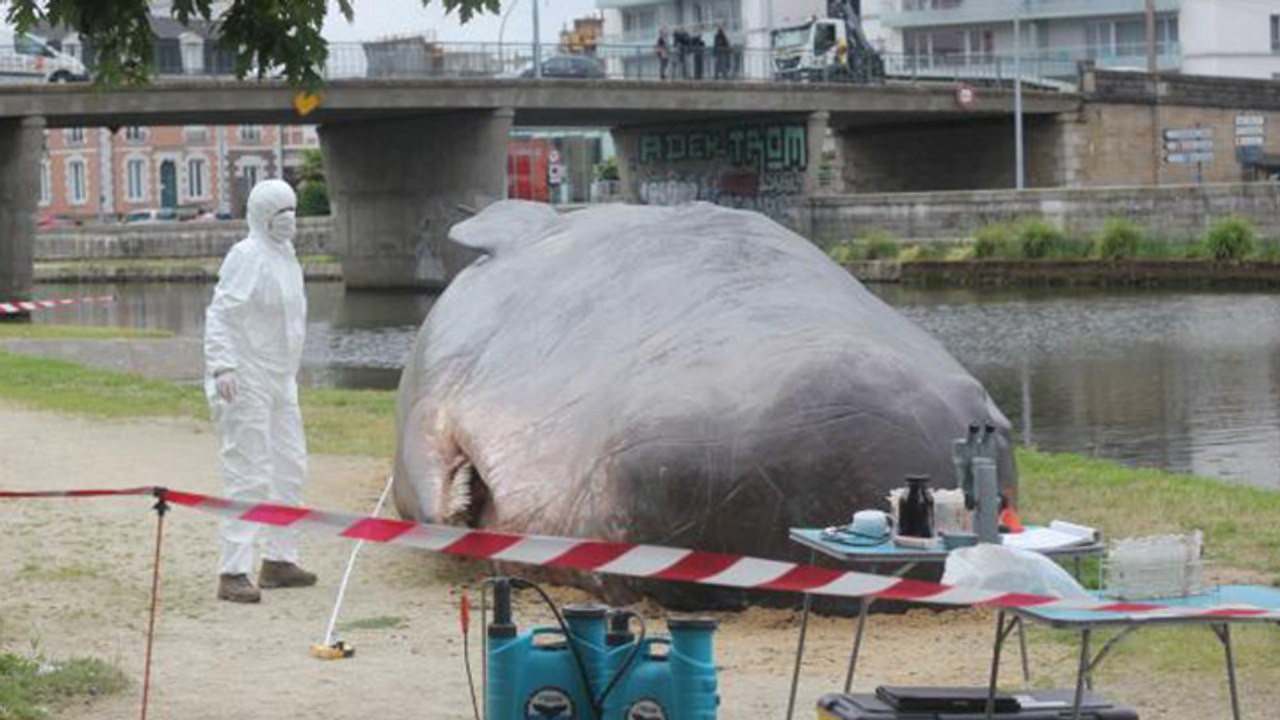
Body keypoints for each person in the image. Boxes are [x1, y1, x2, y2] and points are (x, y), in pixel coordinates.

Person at [204, 178, 315, 604]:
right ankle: (233, 570)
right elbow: (222, 314)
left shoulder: (287, 258)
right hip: (246, 375)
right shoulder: (247, 256)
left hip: (280, 377)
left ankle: (279, 559)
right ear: (260, 216)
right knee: (248, 470)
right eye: (278, 212)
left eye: (291, 210)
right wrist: (223, 365)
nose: (288, 220)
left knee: (290, 466)